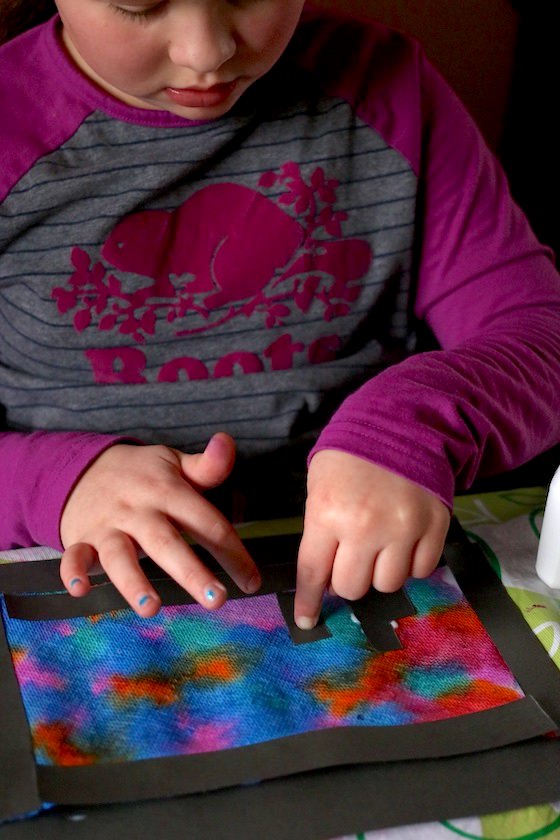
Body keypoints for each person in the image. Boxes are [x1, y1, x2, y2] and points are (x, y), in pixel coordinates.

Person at [1, 0, 559, 632]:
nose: (205, 52)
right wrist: (47, 484)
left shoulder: (387, 84)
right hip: (78, 595)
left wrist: (416, 424)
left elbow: (540, 331)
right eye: (139, 2)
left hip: (362, 577)